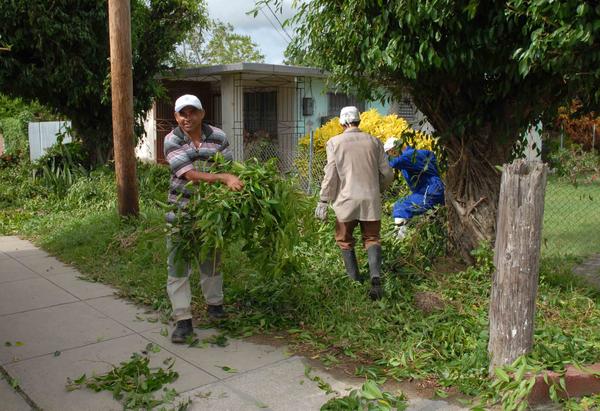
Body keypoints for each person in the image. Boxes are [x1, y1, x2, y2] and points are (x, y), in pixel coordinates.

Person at [164, 94, 244, 343]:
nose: (187, 118)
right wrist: (223, 179)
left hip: (211, 214)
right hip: (181, 213)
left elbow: (229, 168)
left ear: (202, 113)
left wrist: (233, 181)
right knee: (178, 266)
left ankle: (215, 306)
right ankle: (183, 319)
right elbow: (187, 173)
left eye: (192, 112)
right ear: (176, 116)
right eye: (182, 114)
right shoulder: (172, 139)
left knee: (212, 261)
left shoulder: (218, 137)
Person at [315, 106, 394, 300]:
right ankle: (375, 276)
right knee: (372, 238)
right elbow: (388, 174)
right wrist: (378, 189)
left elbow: (331, 174)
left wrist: (323, 200)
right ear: (359, 121)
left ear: (342, 122)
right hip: (370, 199)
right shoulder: (374, 141)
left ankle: (355, 280)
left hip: (345, 200)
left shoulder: (334, 143)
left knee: (344, 240)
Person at [383, 137, 445, 239]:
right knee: (435, 219)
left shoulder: (407, 156)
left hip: (428, 191)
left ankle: (400, 241)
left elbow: (392, 164)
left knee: (400, 206)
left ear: (392, 151)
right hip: (437, 188)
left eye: (389, 154)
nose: (390, 156)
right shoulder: (423, 152)